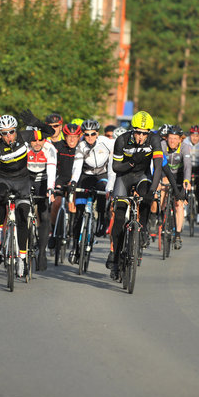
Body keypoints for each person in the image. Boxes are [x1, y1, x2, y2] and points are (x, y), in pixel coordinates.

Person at [0, 111, 55, 277]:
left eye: (11, 131)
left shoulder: (24, 135)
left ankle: (22, 258)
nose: (9, 136)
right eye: (4, 133)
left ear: (15, 130)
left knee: (23, 216)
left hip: (22, 181)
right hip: (4, 180)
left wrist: (36, 121)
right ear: (0, 134)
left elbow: (50, 132)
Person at [107, 111, 163, 281]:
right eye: (138, 132)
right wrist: (132, 162)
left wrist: (152, 191)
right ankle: (115, 259)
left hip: (142, 176)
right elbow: (116, 168)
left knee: (147, 196)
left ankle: (144, 228)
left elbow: (158, 168)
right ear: (132, 130)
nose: (140, 137)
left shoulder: (154, 140)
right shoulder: (122, 140)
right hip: (123, 178)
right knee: (118, 218)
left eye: (144, 133)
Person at [67, 119, 114, 263]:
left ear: (97, 133)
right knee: (80, 211)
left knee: (102, 189)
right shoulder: (81, 145)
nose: (90, 137)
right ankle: (75, 247)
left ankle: (100, 217)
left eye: (93, 134)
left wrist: (111, 186)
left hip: (102, 174)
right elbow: (77, 166)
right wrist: (74, 181)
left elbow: (113, 162)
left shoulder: (106, 142)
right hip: (86, 175)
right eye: (86, 135)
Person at [26, 128, 57, 271]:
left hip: (44, 181)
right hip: (27, 180)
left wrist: (50, 189)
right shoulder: (23, 148)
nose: (37, 143)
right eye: (33, 140)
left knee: (44, 215)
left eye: (40, 139)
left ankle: (42, 252)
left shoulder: (49, 149)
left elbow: (51, 170)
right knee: (22, 210)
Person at [160, 125, 191, 249]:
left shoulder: (185, 147)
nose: (172, 141)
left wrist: (186, 180)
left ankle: (177, 235)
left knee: (179, 204)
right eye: (170, 138)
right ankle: (162, 217)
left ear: (180, 140)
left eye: (175, 138)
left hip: (179, 176)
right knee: (161, 192)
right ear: (167, 138)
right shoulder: (162, 145)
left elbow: (188, 166)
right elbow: (157, 163)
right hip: (164, 174)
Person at [50, 123, 81, 241]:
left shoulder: (82, 148)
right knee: (56, 202)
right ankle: (53, 231)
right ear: (64, 136)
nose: (72, 139)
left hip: (75, 179)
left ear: (79, 137)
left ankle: (71, 231)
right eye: (69, 136)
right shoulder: (58, 146)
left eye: (75, 136)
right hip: (61, 177)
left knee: (72, 202)